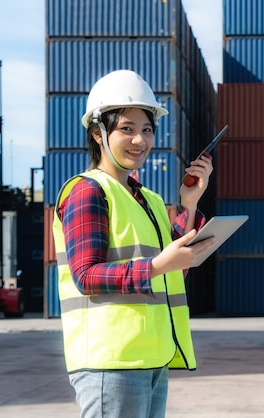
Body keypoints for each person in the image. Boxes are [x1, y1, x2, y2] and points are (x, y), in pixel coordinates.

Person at [52, 69, 216, 418]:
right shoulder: (87, 191)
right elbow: (86, 276)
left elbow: (171, 272)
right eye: (127, 129)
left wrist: (189, 202)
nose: (139, 140)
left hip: (152, 357)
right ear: (97, 133)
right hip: (111, 361)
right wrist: (160, 265)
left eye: (146, 129)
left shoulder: (151, 200)